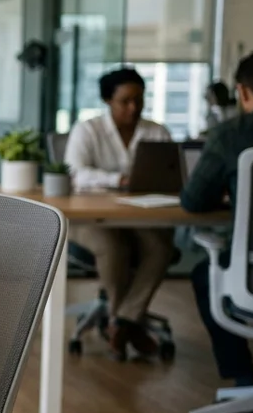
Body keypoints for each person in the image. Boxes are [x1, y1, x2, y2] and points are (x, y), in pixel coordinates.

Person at [64, 67, 175, 360]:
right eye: (125, 100)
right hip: (90, 218)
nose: (134, 107)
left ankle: (122, 321)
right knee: (114, 247)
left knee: (160, 248)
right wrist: (119, 181)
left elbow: (171, 175)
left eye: (139, 100)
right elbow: (76, 174)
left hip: (139, 216)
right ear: (107, 100)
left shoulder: (156, 132)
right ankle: (125, 321)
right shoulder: (88, 131)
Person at [182, 50, 253, 389]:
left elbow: (193, 200)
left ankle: (243, 378)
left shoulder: (230, 134)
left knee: (206, 274)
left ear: (243, 92)